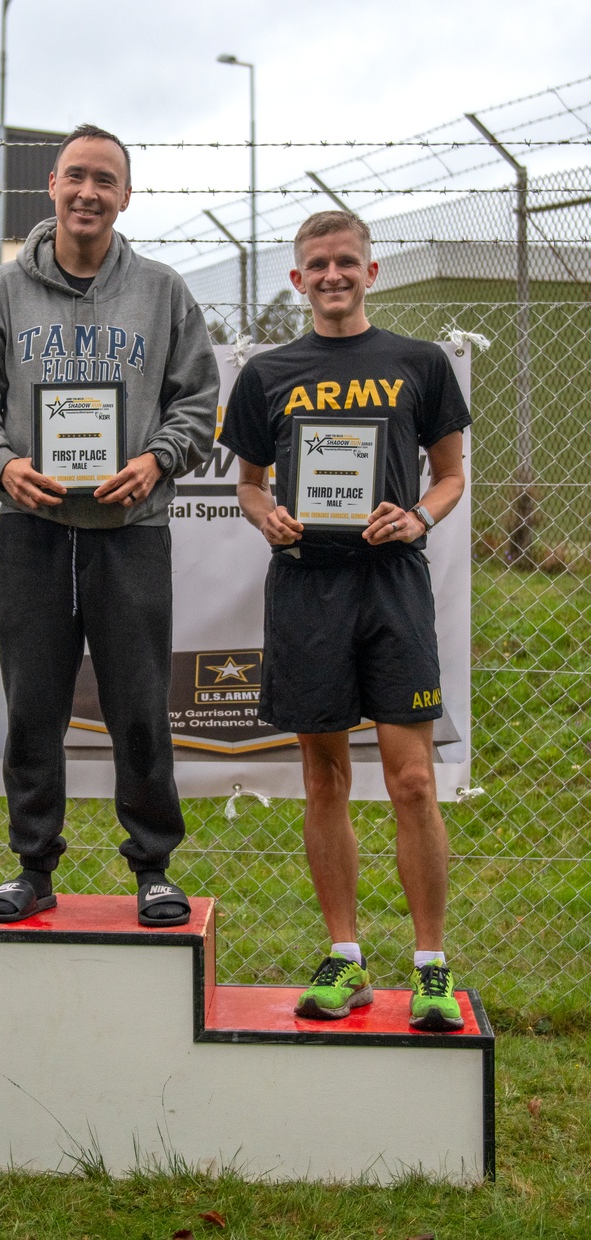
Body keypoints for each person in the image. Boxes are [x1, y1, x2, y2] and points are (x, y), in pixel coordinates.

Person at [0, 124, 219, 927]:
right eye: (76, 177)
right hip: (33, 532)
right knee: (33, 705)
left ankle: (154, 869)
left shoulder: (164, 291)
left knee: (139, 702)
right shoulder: (3, 293)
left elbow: (198, 400)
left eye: (106, 180)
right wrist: (3, 465)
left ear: (126, 196)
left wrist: (160, 459)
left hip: (130, 529)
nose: (89, 193)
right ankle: (32, 868)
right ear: (52, 186)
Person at [220, 210, 471, 1032]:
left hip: (393, 585)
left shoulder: (419, 363)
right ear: (297, 281)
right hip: (307, 591)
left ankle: (431, 966)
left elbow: (450, 476)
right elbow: (248, 484)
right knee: (324, 779)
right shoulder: (267, 373)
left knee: (412, 780)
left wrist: (420, 520)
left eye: (346, 263)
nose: (332, 276)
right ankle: (346, 957)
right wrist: (268, 518)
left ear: (372, 271)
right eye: (316, 266)